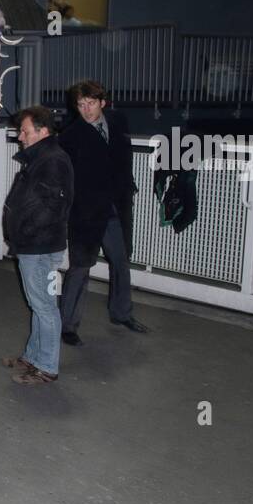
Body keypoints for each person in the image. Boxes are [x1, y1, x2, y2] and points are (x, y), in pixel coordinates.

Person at [57, 80, 148, 344]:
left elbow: (122, 158)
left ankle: (121, 313)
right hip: (85, 212)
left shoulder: (119, 122)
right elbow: (65, 177)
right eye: (81, 105)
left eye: (91, 104)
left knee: (121, 261)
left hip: (115, 208)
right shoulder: (70, 136)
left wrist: (128, 188)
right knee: (80, 267)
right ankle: (68, 326)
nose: (85, 110)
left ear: (103, 103)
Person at [0, 106, 73, 385]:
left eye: (25, 131)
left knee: (44, 307)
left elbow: (52, 207)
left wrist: (25, 233)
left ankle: (46, 367)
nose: (20, 136)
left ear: (43, 132)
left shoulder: (52, 160)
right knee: (38, 303)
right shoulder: (42, 158)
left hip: (39, 246)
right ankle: (32, 357)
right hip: (33, 245)